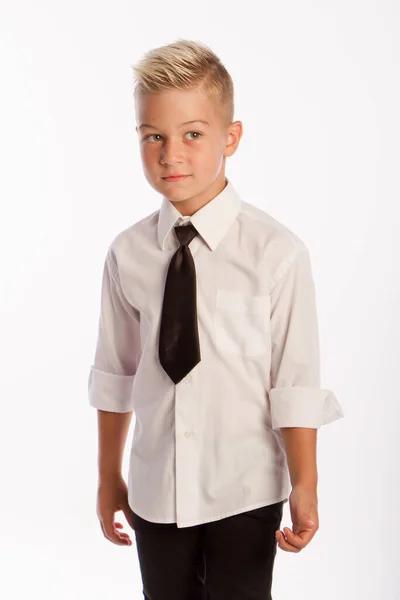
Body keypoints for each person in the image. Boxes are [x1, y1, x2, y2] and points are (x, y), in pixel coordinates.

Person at [88, 38, 344, 600]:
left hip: (245, 489)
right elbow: (115, 373)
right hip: (156, 490)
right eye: (153, 136)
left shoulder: (276, 253)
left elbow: (294, 381)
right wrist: (109, 476)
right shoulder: (127, 253)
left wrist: (307, 483)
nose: (170, 154)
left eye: (193, 135)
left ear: (231, 137)